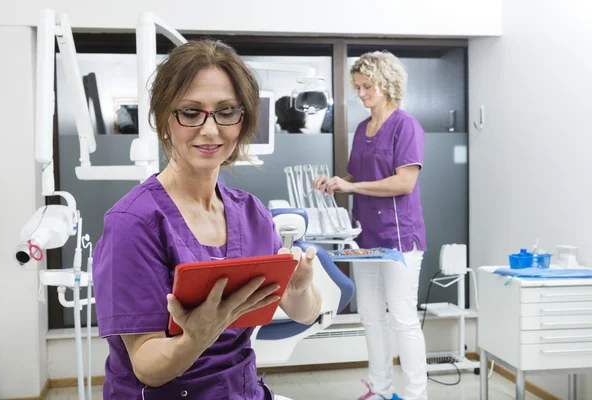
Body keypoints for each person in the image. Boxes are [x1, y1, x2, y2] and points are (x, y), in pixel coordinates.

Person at [92, 39, 322, 400]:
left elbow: (307, 313)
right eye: (190, 111)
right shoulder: (133, 223)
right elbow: (147, 366)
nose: (210, 129)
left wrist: (298, 289)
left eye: (226, 111)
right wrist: (197, 337)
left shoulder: (253, 214)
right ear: (165, 118)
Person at [312, 51, 428, 400]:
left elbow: (404, 183)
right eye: (358, 87)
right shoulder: (363, 128)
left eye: (367, 86)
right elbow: (356, 176)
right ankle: (379, 390)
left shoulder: (405, 125)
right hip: (365, 236)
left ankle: (416, 395)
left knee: (403, 318)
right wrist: (336, 181)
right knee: (371, 317)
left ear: (387, 84)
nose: (360, 94)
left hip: (398, 237)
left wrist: (351, 187)